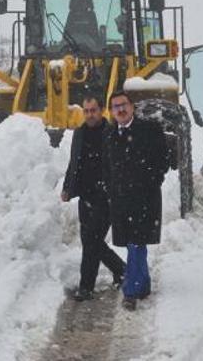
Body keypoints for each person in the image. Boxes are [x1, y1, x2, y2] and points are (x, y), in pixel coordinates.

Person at [102, 91, 169, 311]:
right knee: (133, 243)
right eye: (115, 107)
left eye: (123, 105)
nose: (120, 110)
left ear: (132, 107)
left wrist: (152, 181)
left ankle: (131, 291)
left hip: (144, 196)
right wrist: (110, 189)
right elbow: (107, 166)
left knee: (136, 244)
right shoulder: (109, 134)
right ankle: (144, 283)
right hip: (121, 199)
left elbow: (163, 160)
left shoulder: (149, 130)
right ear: (111, 111)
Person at [62, 96, 126, 301]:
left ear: (101, 111)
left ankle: (86, 286)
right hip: (85, 194)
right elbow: (74, 162)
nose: (90, 114)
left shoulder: (112, 133)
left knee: (92, 241)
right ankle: (121, 269)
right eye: (86, 111)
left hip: (105, 196)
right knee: (91, 241)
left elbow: (120, 165)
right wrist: (67, 187)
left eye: (93, 110)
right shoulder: (79, 133)